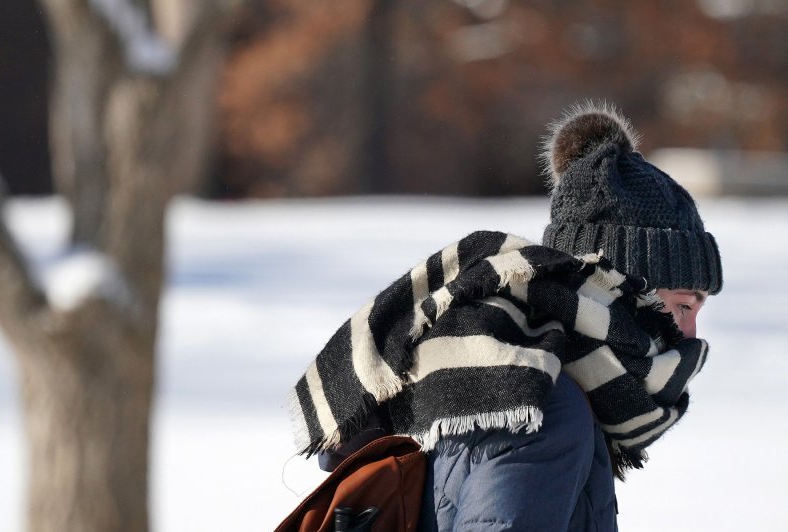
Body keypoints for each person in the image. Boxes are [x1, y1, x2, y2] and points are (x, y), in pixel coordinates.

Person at [289, 101, 722, 532]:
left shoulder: (488, 370)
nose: (689, 334)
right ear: (624, 284)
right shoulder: (541, 403)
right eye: (684, 305)